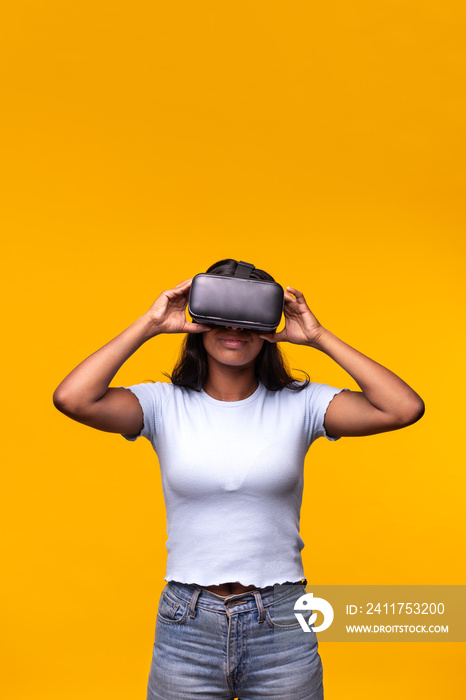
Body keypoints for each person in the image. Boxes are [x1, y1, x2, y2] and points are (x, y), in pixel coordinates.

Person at [53, 258, 424, 700]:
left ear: (268, 326)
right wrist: (150, 323)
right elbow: (72, 398)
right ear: (199, 322)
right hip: (187, 624)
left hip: (282, 622)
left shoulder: (302, 404)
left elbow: (403, 408)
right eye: (221, 315)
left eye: (249, 318)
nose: (236, 329)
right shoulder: (162, 404)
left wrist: (319, 337)